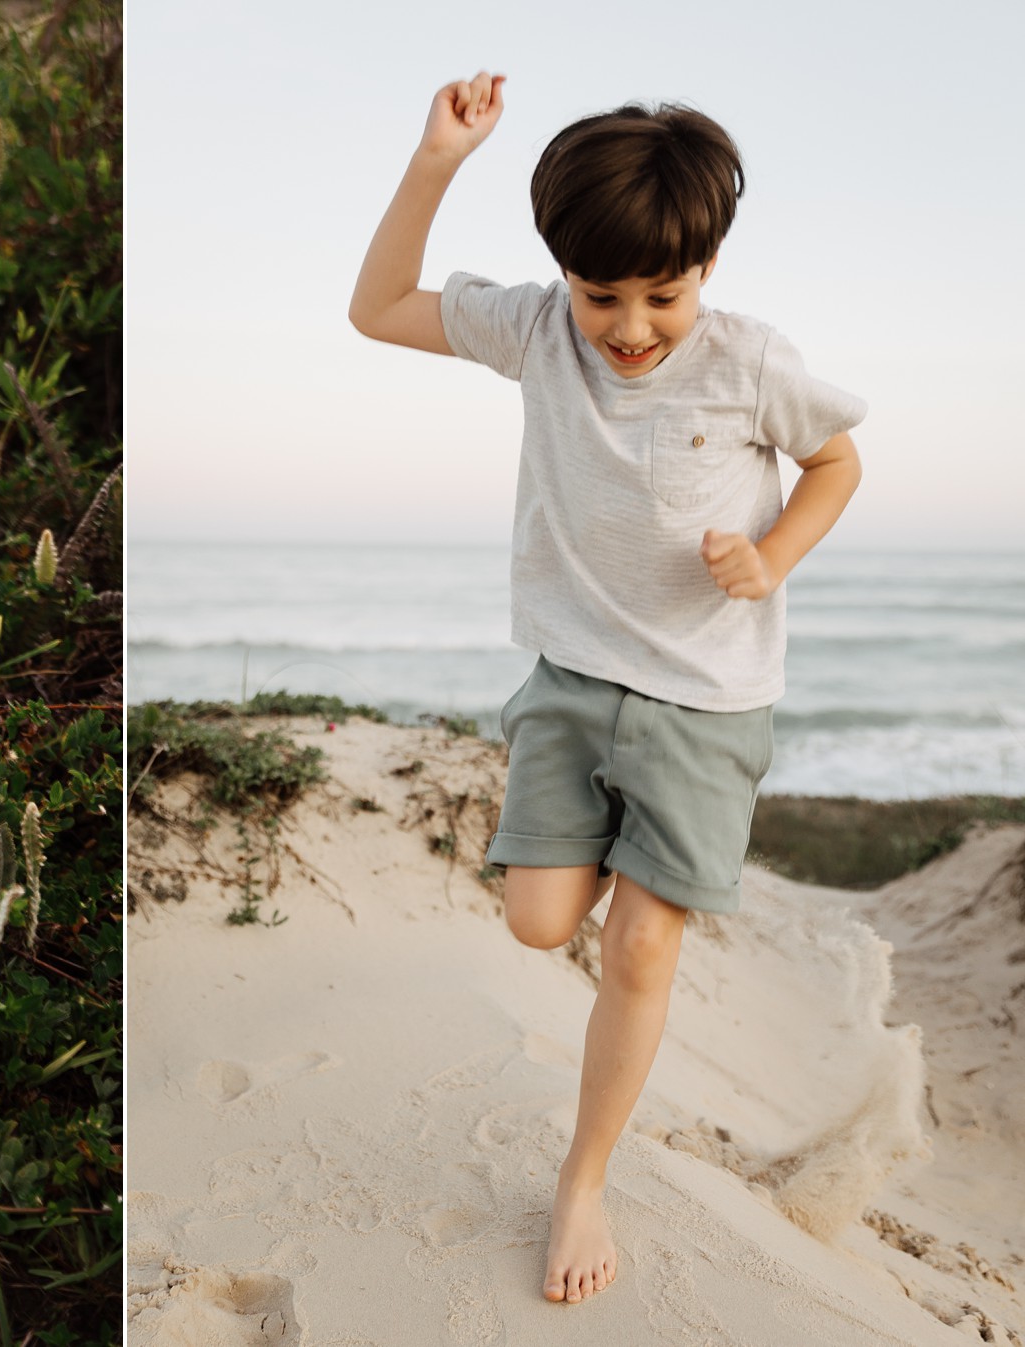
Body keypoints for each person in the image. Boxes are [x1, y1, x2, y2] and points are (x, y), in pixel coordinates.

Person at [347, 72, 865, 1306]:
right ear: (562, 276)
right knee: (537, 922)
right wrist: (437, 161)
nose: (631, 326)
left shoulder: (750, 361)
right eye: (602, 296)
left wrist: (772, 555)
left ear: (708, 263)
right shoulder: (533, 331)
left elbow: (837, 461)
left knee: (638, 948)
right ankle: (621, 884)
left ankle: (583, 1177)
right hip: (573, 683)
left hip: (706, 701)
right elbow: (376, 309)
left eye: (662, 297)